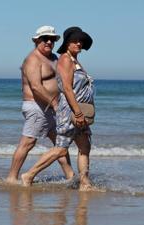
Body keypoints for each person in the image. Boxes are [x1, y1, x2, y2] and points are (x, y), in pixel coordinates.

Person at [21, 27, 95, 191]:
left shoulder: (75, 60)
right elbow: (67, 89)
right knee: (61, 150)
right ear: (67, 43)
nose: (79, 43)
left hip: (78, 111)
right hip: (70, 112)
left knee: (84, 147)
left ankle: (85, 184)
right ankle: (29, 175)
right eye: (75, 40)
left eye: (81, 41)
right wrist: (78, 112)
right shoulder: (65, 60)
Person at [6, 25, 74, 184]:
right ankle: (11, 178)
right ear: (37, 40)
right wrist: (55, 104)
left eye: (52, 39)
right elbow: (36, 87)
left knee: (60, 143)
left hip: (51, 108)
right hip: (37, 107)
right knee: (27, 143)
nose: (49, 42)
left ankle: (71, 177)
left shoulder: (54, 58)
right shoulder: (32, 60)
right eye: (45, 38)